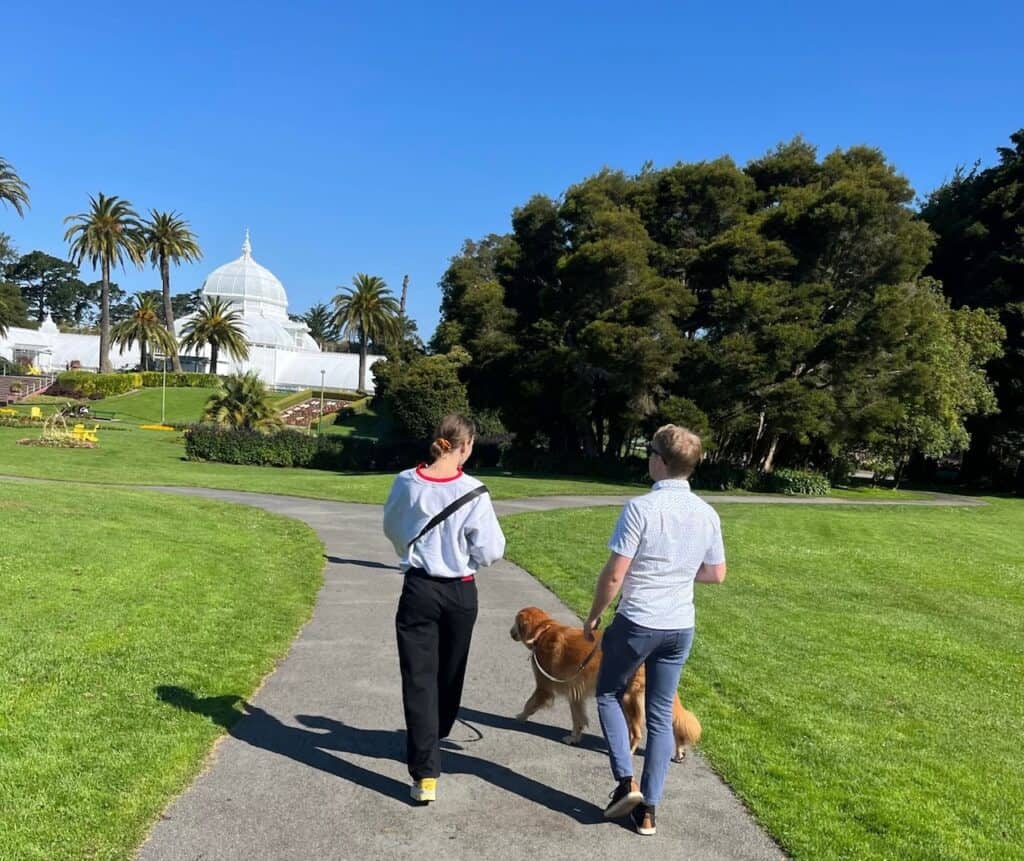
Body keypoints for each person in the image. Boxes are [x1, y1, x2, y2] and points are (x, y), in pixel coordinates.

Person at [583, 424, 726, 836]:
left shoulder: (640, 508)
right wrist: (678, 572)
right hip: (680, 625)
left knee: (609, 692)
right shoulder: (707, 513)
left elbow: (615, 575)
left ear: (661, 461)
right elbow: (716, 573)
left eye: (650, 452)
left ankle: (626, 781)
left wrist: (593, 617)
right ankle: (649, 810)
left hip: (639, 620)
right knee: (661, 714)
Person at [383, 413, 506, 803]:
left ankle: (425, 767)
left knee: (419, 679)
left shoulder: (406, 482)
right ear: (465, 447)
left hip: (419, 586)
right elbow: (490, 550)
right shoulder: (475, 491)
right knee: (448, 676)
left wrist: (412, 549)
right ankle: (431, 753)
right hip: (459, 591)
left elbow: (392, 526)